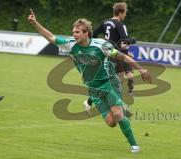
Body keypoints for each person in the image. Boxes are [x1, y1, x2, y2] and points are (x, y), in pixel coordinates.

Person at [28, 9, 152, 152]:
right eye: (73, 32)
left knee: (117, 114)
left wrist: (141, 69)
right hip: (94, 89)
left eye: (77, 32)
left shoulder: (101, 45)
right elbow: (51, 37)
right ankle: (121, 109)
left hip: (109, 82)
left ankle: (134, 145)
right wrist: (35, 23)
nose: (74, 35)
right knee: (111, 122)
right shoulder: (70, 45)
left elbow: (123, 57)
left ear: (86, 33)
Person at [84, 2, 135, 113]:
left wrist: (100, 44)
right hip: (115, 55)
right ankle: (90, 100)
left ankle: (122, 101)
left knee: (123, 79)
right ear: (120, 13)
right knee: (114, 82)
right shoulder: (119, 24)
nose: (125, 15)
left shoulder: (105, 22)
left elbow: (93, 34)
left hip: (117, 54)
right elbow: (125, 40)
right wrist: (133, 40)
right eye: (125, 13)